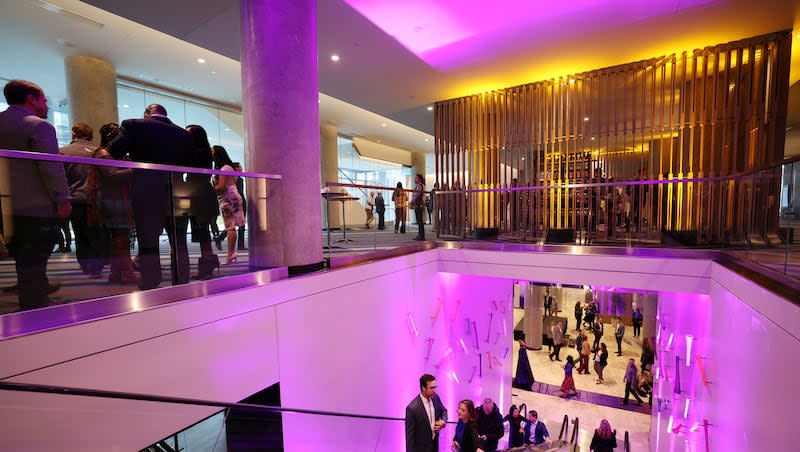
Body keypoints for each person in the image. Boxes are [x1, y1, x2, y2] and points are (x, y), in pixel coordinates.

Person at [0, 80, 71, 309]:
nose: (48, 107)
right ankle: (35, 308)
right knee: (35, 260)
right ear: (31, 99)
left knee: (23, 260)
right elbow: (51, 167)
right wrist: (62, 198)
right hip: (35, 208)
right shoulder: (38, 126)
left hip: (6, 207)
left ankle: (33, 299)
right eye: (45, 100)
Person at [108, 103, 194, 290]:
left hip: (147, 188)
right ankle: (181, 280)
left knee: (148, 239)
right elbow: (191, 163)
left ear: (147, 112)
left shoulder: (134, 125)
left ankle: (151, 279)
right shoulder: (184, 134)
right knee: (179, 239)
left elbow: (113, 151)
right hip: (179, 189)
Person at [92, 123, 138, 284]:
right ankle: (125, 271)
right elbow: (111, 175)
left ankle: (117, 272)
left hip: (118, 197)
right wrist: (138, 169)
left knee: (121, 235)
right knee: (119, 235)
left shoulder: (114, 154)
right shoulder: (102, 152)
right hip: (112, 198)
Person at [60, 122, 106, 278]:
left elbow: (60, 178)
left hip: (75, 197)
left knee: (80, 233)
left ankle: (85, 264)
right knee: (96, 233)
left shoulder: (63, 152)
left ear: (74, 134)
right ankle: (97, 266)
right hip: (96, 198)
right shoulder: (97, 151)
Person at [185, 125, 220, 280]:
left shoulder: (197, 153)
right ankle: (208, 266)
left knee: (202, 233)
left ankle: (206, 267)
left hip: (200, 195)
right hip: (202, 194)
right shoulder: (203, 151)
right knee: (202, 233)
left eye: (188, 134)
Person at [211, 146, 246, 265]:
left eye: (212, 152)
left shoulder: (224, 168)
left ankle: (231, 254)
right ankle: (231, 253)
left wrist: (209, 191)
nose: (210, 154)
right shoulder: (228, 167)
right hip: (233, 197)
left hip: (227, 199)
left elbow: (221, 187)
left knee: (230, 227)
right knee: (232, 227)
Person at [406, 374, 447, 452]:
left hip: (435, 447)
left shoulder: (436, 398)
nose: (434, 390)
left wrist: (443, 421)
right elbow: (409, 439)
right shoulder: (412, 408)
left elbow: (444, 411)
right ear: (423, 388)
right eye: (431, 388)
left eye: (435, 387)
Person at [412, 173, 426, 240]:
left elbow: (416, 195)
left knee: (419, 221)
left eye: (416, 178)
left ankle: (421, 236)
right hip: (418, 204)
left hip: (418, 205)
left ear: (419, 179)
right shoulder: (418, 186)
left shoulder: (419, 186)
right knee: (419, 220)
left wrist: (412, 201)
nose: (415, 179)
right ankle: (420, 235)